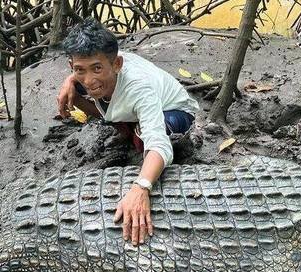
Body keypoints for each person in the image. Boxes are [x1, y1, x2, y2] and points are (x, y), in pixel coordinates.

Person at [56, 18, 199, 246]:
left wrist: (141, 187)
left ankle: (134, 133)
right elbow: (85, 72)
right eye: (79, 70)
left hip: (175, 111)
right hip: (129, 105)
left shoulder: (139, 87)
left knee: (146, 136)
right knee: (85, 90)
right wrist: (69, 82)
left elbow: (158, 144)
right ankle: (128, 128)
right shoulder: (88, 75)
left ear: (117, 64)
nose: (89, 79)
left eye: (97, 68)